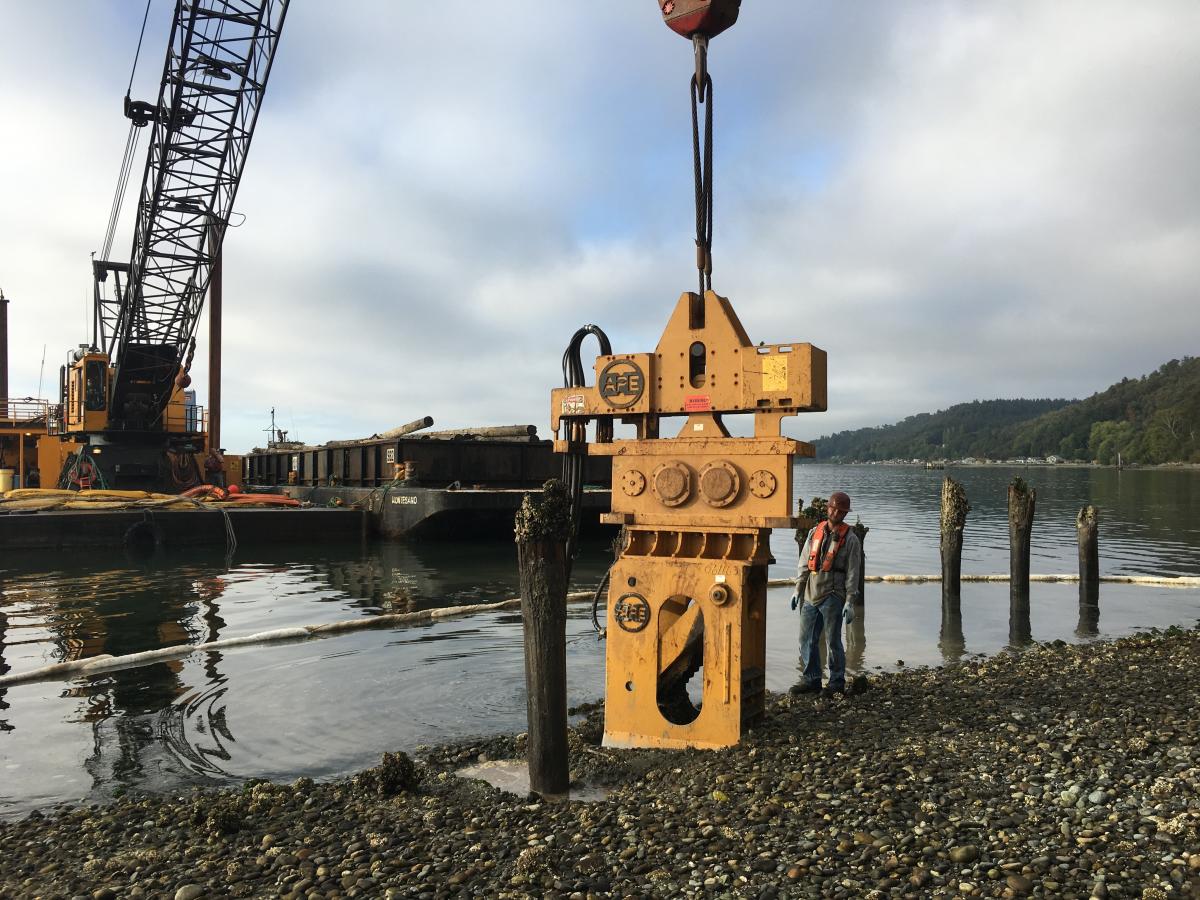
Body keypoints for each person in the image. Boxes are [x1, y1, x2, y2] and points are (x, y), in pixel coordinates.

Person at [790, 490, 863, 697]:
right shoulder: (815, 532)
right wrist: (798, 589)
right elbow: (804, 563)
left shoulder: (851, 540)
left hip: (833, 594)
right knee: (806, 639)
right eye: (833, 508)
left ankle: (836, 682)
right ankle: (811, 679)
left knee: (833, 641)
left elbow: (853, 572)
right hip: (810, 594)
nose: (835, 512)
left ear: (845, 514)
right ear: (827, 508)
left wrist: (849, 601)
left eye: (840, 510)